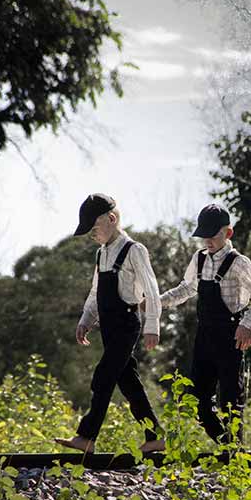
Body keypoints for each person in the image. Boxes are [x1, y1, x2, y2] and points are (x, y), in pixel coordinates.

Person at [55, 193, 165, 454]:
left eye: (94, 229)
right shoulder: (101, 254)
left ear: (111, 219)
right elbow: (95, 292)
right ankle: (155, 437)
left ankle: (86, 436)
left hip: (127, 323)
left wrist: (153, 326)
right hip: (108, 327)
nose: (92, 235)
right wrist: (85, 319)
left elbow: (152, 290)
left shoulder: (134, 250)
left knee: (103, 376)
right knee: (129, 382)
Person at [159, 203, 251, 443]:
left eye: (213, 235)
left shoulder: (239, 262)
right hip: (204, 337)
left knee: (231, 400)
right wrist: (157, 303)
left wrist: (247, 324)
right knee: (198, 400)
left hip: (232, 337)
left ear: (227, 233)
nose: (207, 241)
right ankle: (226, 446)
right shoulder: (198, 259)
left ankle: (235, 455)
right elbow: (187, 288)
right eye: (204, 236)